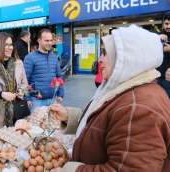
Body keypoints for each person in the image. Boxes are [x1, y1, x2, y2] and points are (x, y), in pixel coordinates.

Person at [50, 25, 170, 172]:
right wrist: (72, 118)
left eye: (106, 53)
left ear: (126, 59)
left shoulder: (138, 108)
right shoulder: (129, 89)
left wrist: (74, 169)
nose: (99, 59)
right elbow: (111, 123)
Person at [24, 29, 64, 112]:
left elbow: (59, 76)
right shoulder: (30, 58)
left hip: (53, 99)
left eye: (51, 40)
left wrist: (60, 94)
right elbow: (25, 80)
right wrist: (27, 98)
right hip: (36, 101)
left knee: (52, 124)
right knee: (36, 125)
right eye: (46, 40)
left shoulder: (54, 56)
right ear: (39, 40)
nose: (49, 43)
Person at [158, 12, 170, 98]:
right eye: (166, 23)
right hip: (156, 78)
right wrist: (156, 37)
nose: (169, 26)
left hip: (168, 80)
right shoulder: (157, 35)